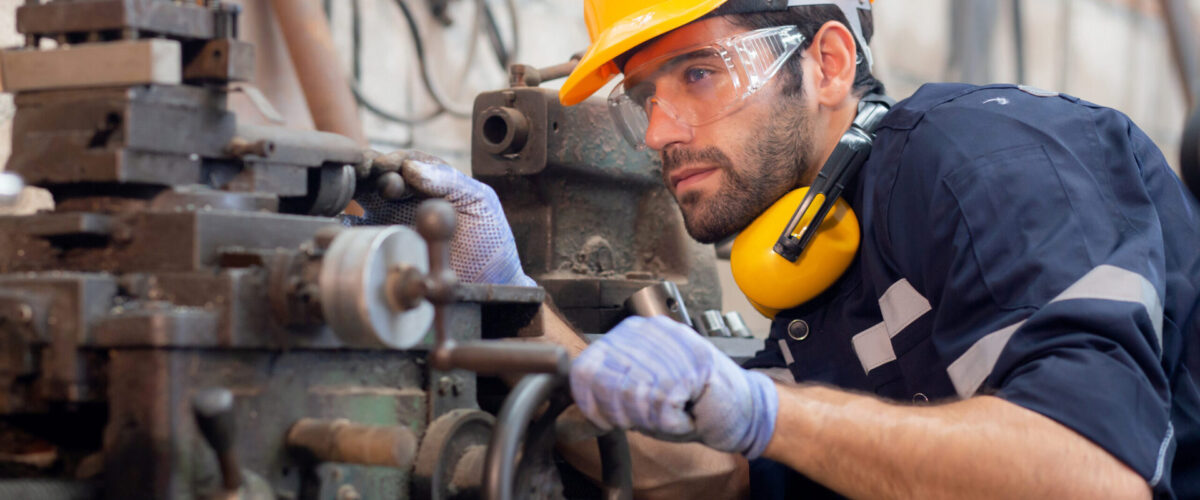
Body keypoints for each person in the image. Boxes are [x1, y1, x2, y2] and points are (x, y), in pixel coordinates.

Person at [351, 0, 1200, 497]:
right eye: (642, 95)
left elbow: (1095, 473)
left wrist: (767, 413)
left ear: (828, 63)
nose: (657, 130)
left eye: (699, 73)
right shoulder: (813, 269)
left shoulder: (984, 159)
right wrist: (509, 298)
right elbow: (709, 474)